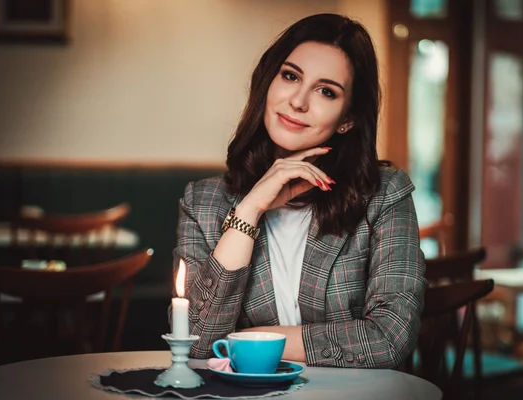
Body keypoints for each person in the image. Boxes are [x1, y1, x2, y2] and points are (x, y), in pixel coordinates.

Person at [172, 13, 426, 369]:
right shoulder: (203, 202)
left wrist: (248, 339)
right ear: (268, 83)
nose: (298, 101)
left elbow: (389, 339)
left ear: (348, 118)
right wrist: (249, 210)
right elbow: (196, 342)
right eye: (290, 76)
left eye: (326, 91)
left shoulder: (384, 194)